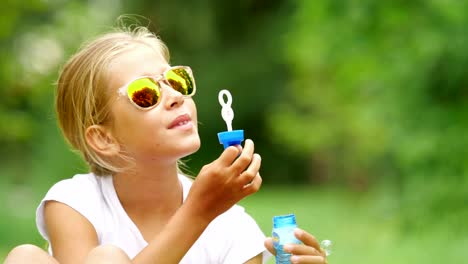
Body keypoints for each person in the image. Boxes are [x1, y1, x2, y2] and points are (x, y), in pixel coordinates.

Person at [4, 24, 327, 264]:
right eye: (146, 94)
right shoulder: (74, 204)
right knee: (30, 257)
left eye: (175, 81)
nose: (174, 97)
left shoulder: (232, 226)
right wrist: (198, 212)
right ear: (104, 137)